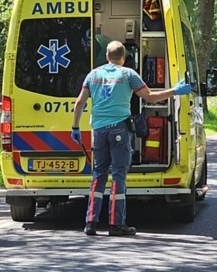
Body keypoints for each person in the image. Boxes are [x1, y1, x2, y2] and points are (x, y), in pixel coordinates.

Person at [70, 40, 191, 236]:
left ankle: (90, 222)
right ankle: (116, 224)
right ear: (124, 58)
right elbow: (150, 97)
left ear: (107, 57)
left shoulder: (93, 75)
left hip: (98, 131)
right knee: (118, 176)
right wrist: (174, 91)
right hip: (119, 129)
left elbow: (79, 103)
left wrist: (75, 127)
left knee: (98, 175)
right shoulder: (128, 74)